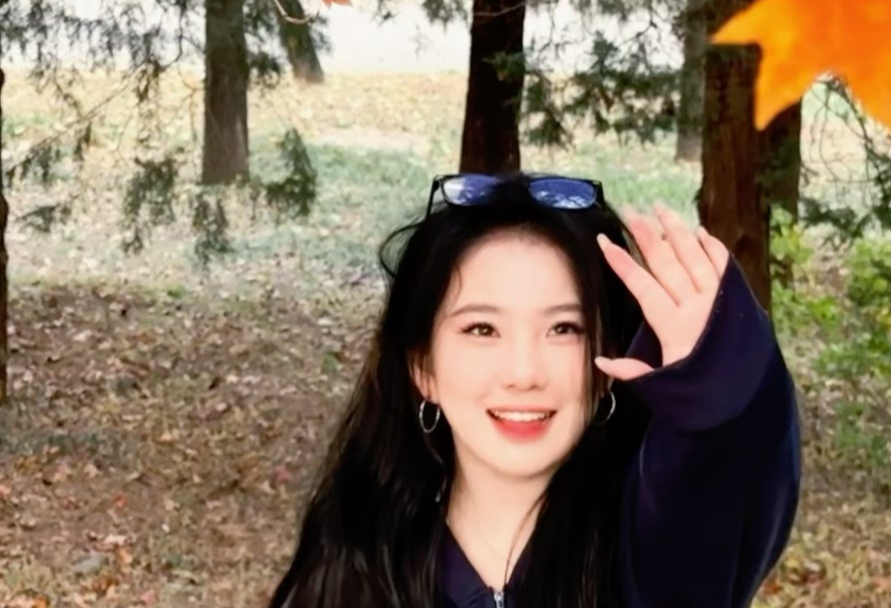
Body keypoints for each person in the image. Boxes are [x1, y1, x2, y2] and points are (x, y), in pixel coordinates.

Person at [268, 173, 801, 608]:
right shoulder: (357, 560)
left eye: (564, 328)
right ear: (422, 368)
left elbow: (723, 477)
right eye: (482, 329)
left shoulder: (651, 556)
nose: (524, 373)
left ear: (606, 365)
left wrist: (715, 384)